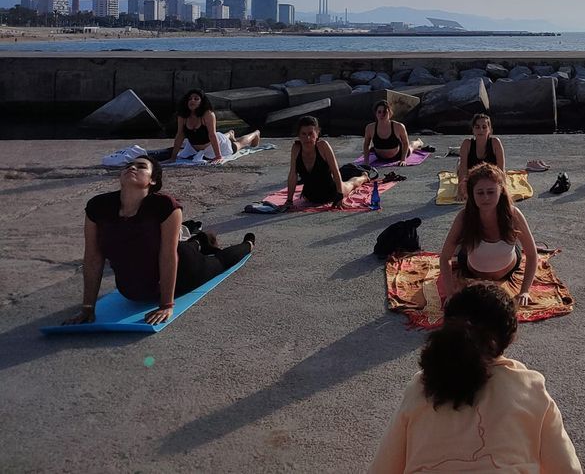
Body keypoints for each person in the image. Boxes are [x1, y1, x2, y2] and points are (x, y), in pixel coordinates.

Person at [368, 283, 581, 474]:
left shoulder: (420, 386)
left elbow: (383, 468)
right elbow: (567, 469)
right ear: (509, 338)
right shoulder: (530, 387)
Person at [62, 155, 255, 325]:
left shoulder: (164, 205)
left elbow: (168, 255)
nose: (132, 167)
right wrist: (87, 308)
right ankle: (201, 240)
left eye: (141, 166)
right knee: (181, 245)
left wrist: (166, 304)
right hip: (132, 291)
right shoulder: (98, 207)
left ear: (153, 180)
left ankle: (247, 244)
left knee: (218, 262)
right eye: (129, 165)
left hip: (183, 271)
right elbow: (93, 258)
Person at [438, 164, 538, 307]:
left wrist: (524, 291)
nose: (485, 198)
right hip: (471, 269)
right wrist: (450, 294)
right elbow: (445, 258)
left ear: (501, 190)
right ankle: (464, 245)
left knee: (511, 243)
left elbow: (532, 254)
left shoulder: (513, 214)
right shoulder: (463, 217)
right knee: (462, 251)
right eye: (480, 193)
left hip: (509, 266)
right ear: (471, 194)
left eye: (491, 192)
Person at [283, 116, 369, 210]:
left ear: (317, 133)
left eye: (311, 134)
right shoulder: (296, 148)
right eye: (303, 134)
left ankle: (364, 177)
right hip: (310, 196)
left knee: (352, 184)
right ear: (299, 135)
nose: (307, 138)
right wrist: (289, 201)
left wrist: (340, 195)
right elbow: (292, 174)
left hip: (331, 192)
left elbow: (335, 171)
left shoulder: (323, 146)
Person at [168, 89, 260, 164]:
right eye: (190, 99)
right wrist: (173, 157)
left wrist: (218, 156)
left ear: (201, 102)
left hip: (214, 145)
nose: (192, 101)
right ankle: (230, 134)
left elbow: (212, 135)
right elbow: (180, 135)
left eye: (196, 99)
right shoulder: (183, 116)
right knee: (222, 136)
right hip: (193, 148)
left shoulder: (208, 114)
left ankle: (255, 133)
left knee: (239, 145)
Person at [456, 114, 506, 201]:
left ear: (489, 130)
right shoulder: (466, 144)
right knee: (459, 166)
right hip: (471, 176)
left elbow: (501, 169)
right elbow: (463, 169)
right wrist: (460, 190)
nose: (481, 130)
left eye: (484, 127)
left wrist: (503, 189)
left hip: (490, 175)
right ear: (473, 130)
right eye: (477, 127)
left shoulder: (495, 143)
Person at [362, 100, 421, 164]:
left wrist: (403, 159)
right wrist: (366, 161)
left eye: (385, 112)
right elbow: (366, 145)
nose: (382, 114)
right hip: (380, 157)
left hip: (398, 155)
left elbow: (405, 143)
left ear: (390, 113)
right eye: (379, 112)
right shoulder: (370, 128)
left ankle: (418, 142)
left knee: (411, 146)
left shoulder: (399, 126)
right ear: (376, 114)